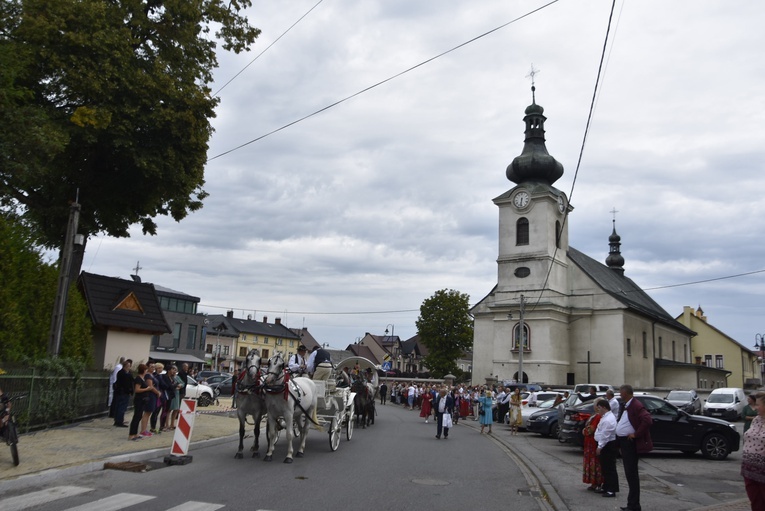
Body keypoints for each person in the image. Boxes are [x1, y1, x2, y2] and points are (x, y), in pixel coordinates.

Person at [616, 384, 653, 511]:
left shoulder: (635, 405)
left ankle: (634, 505)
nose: (620, 395)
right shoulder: (628, 405)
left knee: (631, 474)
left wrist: (636, 434)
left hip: (630, 443)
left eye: (621, 393)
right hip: (624, 442)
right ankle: (631, 504)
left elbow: (647, 420)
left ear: (625, 393)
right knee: (629, 474)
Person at [742, 391, 765, 509]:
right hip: (749, 470)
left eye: (758, 405)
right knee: (755, 503)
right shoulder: (756, 420)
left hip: (763, 471)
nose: (755, 408)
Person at [128, 363, 160, 441]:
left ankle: (135, 434)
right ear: (143, 370)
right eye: (146, 370)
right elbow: (137, 390)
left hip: (143, 399)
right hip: (139, 399)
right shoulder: (138, 379)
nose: (146, 371)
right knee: (136, 417)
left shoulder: (142, 378)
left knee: (139, 416)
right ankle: (131, 434)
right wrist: (147, 389)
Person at [594, 398, 618, 498]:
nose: (598, 410)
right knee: (605, 468)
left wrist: (600, 446)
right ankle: (606, 486)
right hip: (605, 444)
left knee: (609, 468)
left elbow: (605, 435)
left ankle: (611, 490)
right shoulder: (605, 417)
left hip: (608, 445)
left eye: (599, 408)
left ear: (604, 407)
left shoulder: (608, 419)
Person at [582, 399, 604, 492]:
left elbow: (592, 429)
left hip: (593, 442)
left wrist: (584, 431)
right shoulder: (595, 415)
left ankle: (597, 482)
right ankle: (593, 482)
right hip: (589, 443)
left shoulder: (598, 417)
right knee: (591, 462)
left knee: (595, 463)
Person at [113, 359, 133, 427]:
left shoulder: (121, 373)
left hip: (120, 392)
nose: (130, 367)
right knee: (122, 407)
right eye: (129, 366)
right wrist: (129, 391)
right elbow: (126, 384)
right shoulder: (124, 374)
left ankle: (117, 420)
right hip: (123, 392)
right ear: (126, 366)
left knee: (119, 406)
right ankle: (119, 421)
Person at [168, 365, 184, 429]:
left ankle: (172, 423)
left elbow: (183, 383)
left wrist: (180, 385)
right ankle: (167, 424)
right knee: (169, 409)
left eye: (175, 370)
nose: (174, 371)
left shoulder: (177, 377)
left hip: (177, 394)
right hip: (171, 394)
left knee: (176, 409)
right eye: (173, 369)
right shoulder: (170, 377)